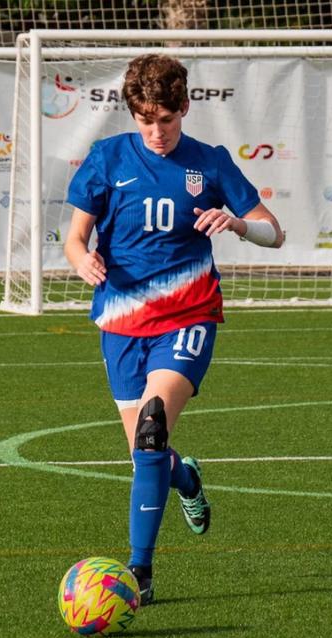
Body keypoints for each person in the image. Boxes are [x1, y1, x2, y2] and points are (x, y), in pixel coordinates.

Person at [64, 54, 284, 605]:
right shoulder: (106, 158)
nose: (157, 132)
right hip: (120, 321)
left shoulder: (208, 163)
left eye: (166, 119)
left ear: (184, 107)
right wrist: (80, 260)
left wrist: (235, 223)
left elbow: (273, 232)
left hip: (189, 316)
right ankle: (186, 480)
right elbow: (73, 237)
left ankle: (140, 571)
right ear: (132, 115)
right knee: (149, 455)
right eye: (146, 121)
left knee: (152, 428)